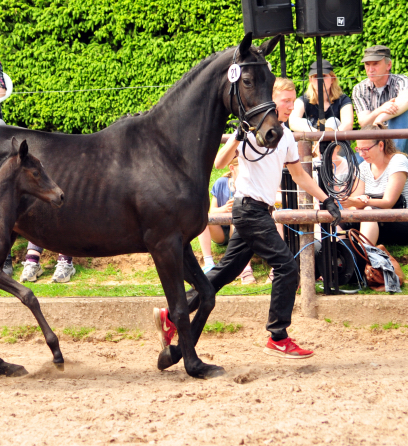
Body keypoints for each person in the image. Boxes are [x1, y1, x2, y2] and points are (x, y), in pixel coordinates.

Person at [153, 78, 341, 359]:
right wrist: (239, 136)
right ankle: (278, 336)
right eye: (285, 101)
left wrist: (326, 198)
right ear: (270, 99)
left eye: (293, 101)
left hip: (259, 211)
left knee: (226, 272)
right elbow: (219, 163)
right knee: (287, 268)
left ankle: (170, 315)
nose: (290, 106)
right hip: (249, 210)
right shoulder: (252, 131)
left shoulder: (287, 136)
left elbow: (300, 175)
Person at [339, 124, 408, 245]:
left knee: (369, 211)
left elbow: (388, 202)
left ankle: (364, 257)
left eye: (365, 149)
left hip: (400, 219)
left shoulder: (398, 161)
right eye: (358, 150)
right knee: (336, 219)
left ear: (381, 145)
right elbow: (353, 203)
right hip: (374, 221)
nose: (361, 154)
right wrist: (352, 201)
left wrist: (365, 202)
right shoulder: (364, 167)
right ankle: (341, 253)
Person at [197, 158, 258, 284]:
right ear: (232, 168)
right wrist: (224, 209)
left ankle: (245, 268)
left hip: (239, 229)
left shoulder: (251, 184)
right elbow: (212, 211)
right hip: (220, 231)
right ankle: (208, 263)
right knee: (202, 219)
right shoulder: (221, 183)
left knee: (237, 220)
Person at [352, 45, 408, 153]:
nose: (370, 69)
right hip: (372, 144)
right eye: (367, 64)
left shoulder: (402, 81)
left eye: (375, 64)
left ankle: (393, 158)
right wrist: (380, 110)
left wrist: (379, 119)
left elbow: (405, 100)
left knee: (403, 113)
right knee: (350, 165)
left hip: (399, 141)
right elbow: (364, 122)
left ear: (389, 65)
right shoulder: (359, 88)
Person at [289, 59, 354, 136]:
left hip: (334, 143)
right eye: (316, 77)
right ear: (310, 80)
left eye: (324, 76)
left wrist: (329, 137)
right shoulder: (303, 100)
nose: (320, 80)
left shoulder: (342, 99)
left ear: (332, 79)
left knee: (333, 121)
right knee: (303, 122)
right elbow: (293, 122)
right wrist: (317, 134)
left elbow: (348, 124)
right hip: (311, 143)